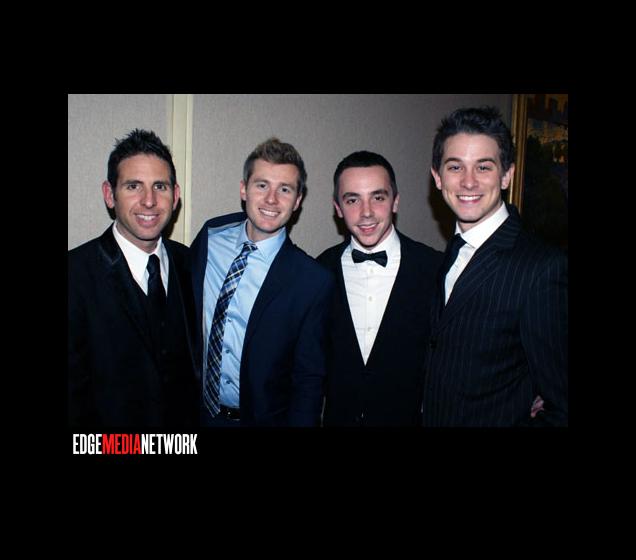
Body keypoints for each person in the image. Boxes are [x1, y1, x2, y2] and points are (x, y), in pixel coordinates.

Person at [423, 106, 568, 427]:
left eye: (483, 167)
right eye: (455, 167)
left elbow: (562, 408)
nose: (468, 182)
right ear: (438, 177)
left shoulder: (542, 268)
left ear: (506, 176)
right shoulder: (447, 253)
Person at [190, 137, 334, 427]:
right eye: (262, 185)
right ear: (244, 189)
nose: (271, 199)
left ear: (298, 201)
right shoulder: (210, 237)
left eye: (285, 189)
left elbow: (308, 381)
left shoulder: (312, 281)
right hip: (196, 417)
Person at [68, 129, 198, 427]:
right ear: (109, 194)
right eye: (133, 186)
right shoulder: (75, 275)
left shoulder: (191, 264)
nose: (149, 201)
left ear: (175, 196)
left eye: (160, 186)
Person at [317, 151, 443, 426]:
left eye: (378, 197)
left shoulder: (436, 270)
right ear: (338, 208)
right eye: (352, 200)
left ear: (395, 201)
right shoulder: (318, 271)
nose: (366, 212)